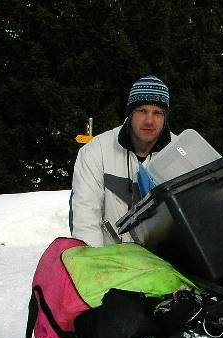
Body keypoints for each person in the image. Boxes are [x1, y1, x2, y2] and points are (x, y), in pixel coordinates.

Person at [70, 75, 174, 246]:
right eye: (142, 111)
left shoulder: (178, 154)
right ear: (130, 113)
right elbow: (85, 216)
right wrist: (95, 265)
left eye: (157, 113)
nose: (149, 120)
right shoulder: (97, 150)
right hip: (110, 262)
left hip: (162, 266)